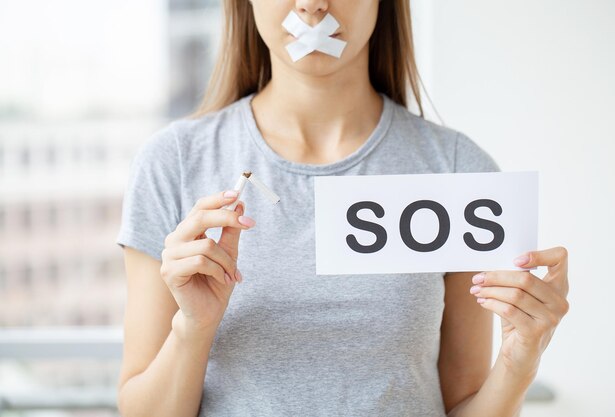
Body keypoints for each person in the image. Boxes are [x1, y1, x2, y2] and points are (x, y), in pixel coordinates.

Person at [114, 1, 570, 416]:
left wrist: (517, 364)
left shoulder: (459, 173)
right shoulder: (173, 163)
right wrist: (193, 327)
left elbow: (464, 404)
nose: (312, 4)